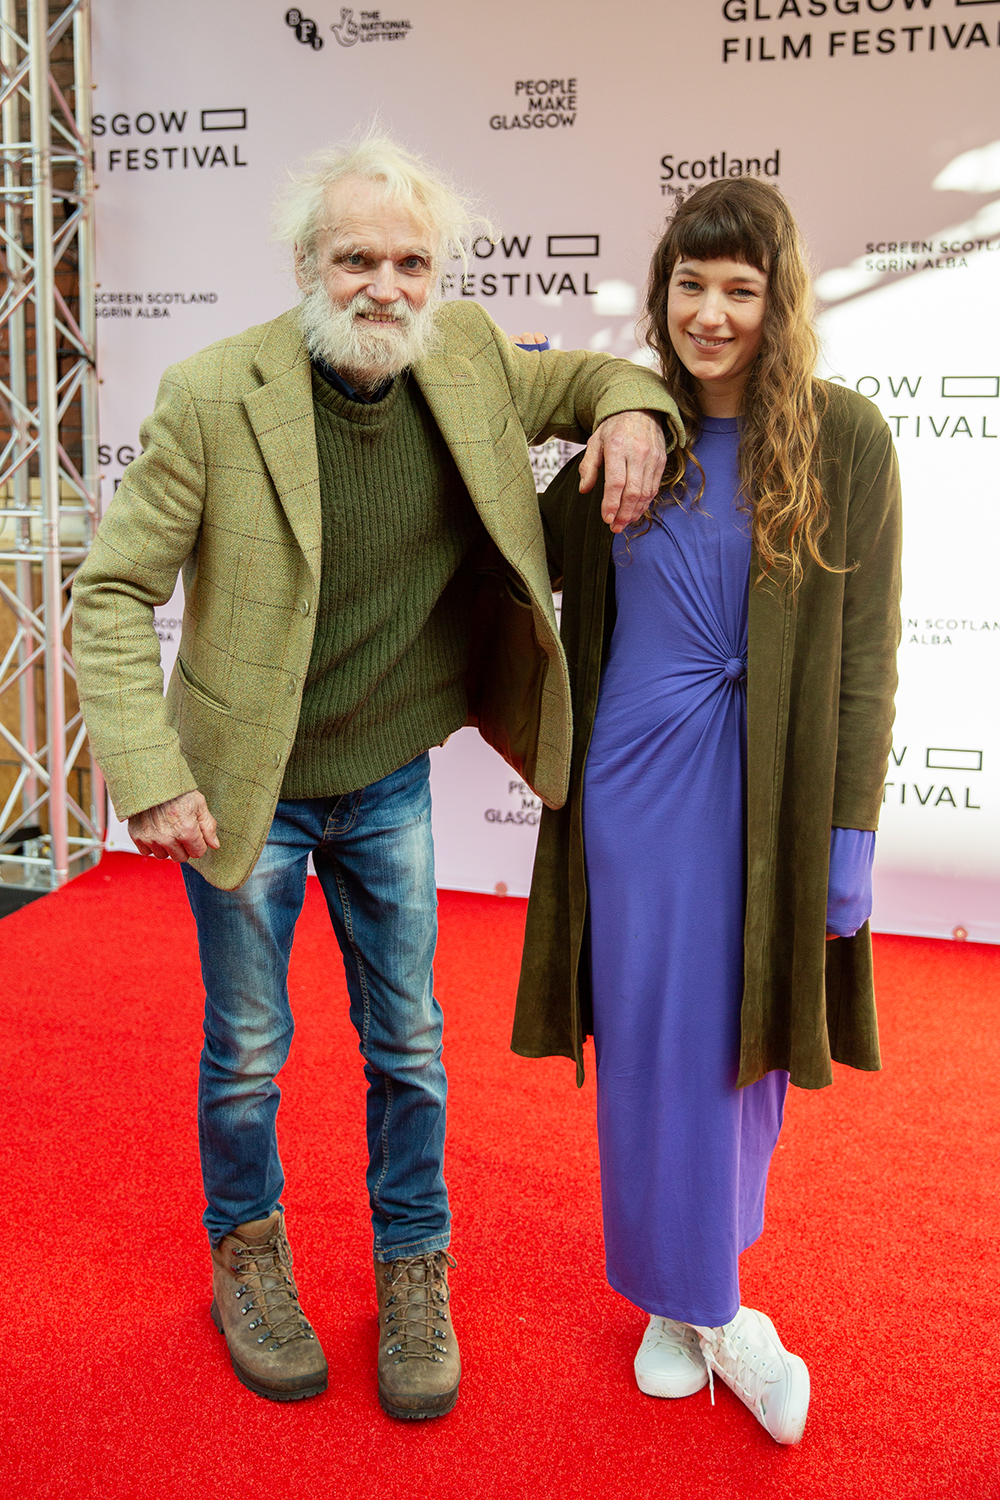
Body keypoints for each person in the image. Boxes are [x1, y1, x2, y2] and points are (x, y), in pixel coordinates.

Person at [71, 134, 682, 1418]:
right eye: (356, 257)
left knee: (408, 1044)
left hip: (386, 779)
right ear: (306, 264)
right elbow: (113, 592)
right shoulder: (209, 393)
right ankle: (248, 1255)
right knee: (248, 1050)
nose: (384, 286)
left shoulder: (460, 357)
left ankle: (414, 1268)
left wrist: (631, 408)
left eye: (410, 261)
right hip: (244, 780)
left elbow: (594, 371)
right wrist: (148, 770)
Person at [512, 178, 901, 1445]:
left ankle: (681, 1298)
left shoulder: (844, 439)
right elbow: (513, 569)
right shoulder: (629, 436)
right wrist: (611, 405)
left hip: (771, 792)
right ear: (660, 292)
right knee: (650, 1048)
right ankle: (714, 1311)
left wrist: (848, 836)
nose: (713, 313)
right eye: (690, 284)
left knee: (739, 1056)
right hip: (635, 783)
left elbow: (865, 657)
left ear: (777, 299)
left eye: (740, 288)